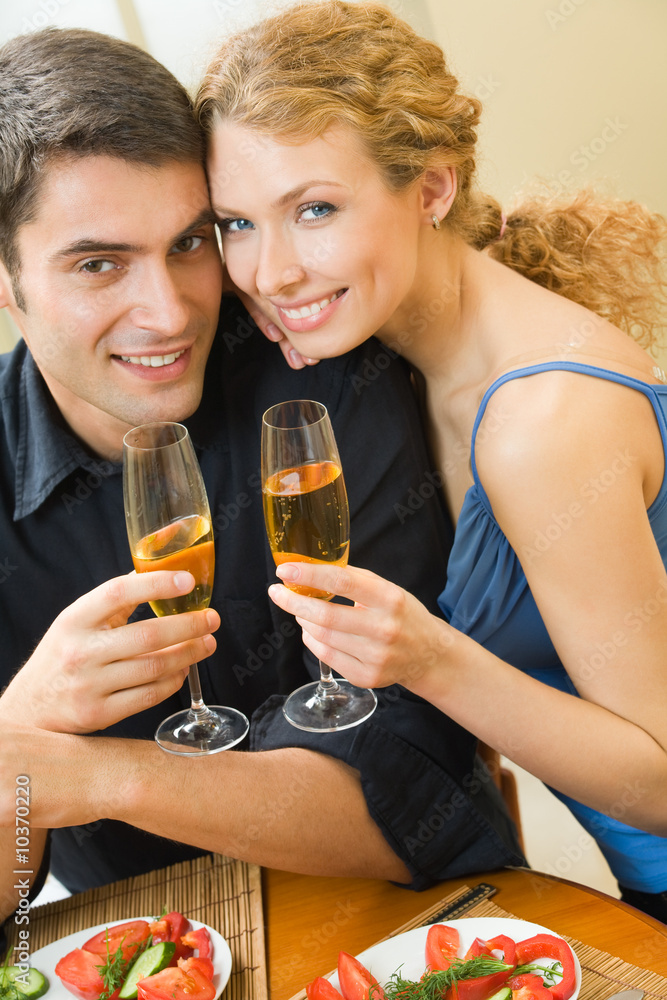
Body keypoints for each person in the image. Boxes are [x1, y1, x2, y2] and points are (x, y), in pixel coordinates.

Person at [0, 25, 524, 928]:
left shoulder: (320, 386)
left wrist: (84, 773)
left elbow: (408, 803)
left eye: (191, 243)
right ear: (7, 279)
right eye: (97, 264)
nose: (168, 314)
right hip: (144, 962)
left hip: (407, 934)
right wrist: (20, 725)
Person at [195, 0, 667, 918]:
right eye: (237, 225)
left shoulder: (542, 425)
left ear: (431, 189)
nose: (271, 272)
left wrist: (428, 660)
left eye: (315, 209)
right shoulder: (405, 360)